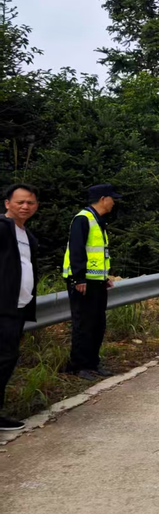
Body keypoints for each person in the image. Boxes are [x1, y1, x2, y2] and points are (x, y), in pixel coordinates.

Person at [63, 184, 121, 379]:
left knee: (97, 324)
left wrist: (104, 278)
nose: (114, 202)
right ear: (103, 199)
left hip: (95, 281)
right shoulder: (83, 219)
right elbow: (77, 250)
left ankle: (93, 364)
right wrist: (79, 278)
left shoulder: (98, 220)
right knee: (84, 324)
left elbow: (98, 255)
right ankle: (79, 366)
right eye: (112, 198)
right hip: (82, 281)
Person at [0, 184, 41, 431]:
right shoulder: (2, 228)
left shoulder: (27, 235)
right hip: (2, 308)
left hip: (18, 308)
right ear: (7, 204)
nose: (25, 206)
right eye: (20, 202)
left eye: (31, 203)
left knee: (6, 360)